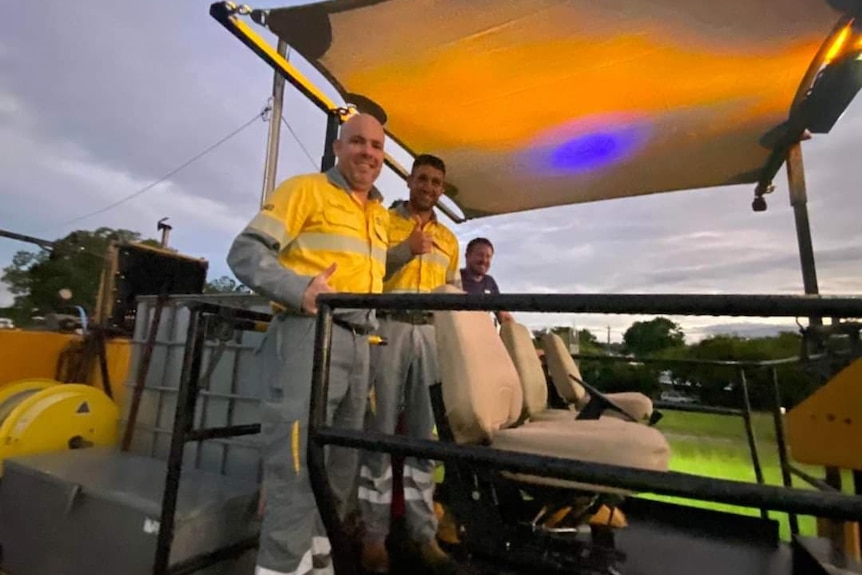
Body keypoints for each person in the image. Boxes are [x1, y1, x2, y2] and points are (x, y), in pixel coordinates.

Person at [226, 112, 390, 575]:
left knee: (339, 474)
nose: (368, 153)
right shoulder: (305, 189)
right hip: (309, 336)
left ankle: (318, 562)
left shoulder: (377, 213)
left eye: (377, 147)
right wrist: (299, 289)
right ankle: (279, 568)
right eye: (358, 142)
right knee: (295, 472)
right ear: (338, 148)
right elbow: (245, 252)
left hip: (361, 345)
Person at [358, 154, 459, 573]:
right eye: (423, 179)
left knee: (423, 437)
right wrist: (404, 251)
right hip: (388, 328)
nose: (429, 188)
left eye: (437, 182)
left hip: (430, 335)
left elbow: (453, 292)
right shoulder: (381, 220)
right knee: (380, 434)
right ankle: (373, 538)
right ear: (409, 180)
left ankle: (423, 535)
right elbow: (364, 272)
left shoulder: (450, 239)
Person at [459, 237, 513, 324]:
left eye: (488, 256)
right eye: (480, 255)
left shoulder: (490, 282)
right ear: (467, 256)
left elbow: (504, 316)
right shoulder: (455, 278)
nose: (484, 260)